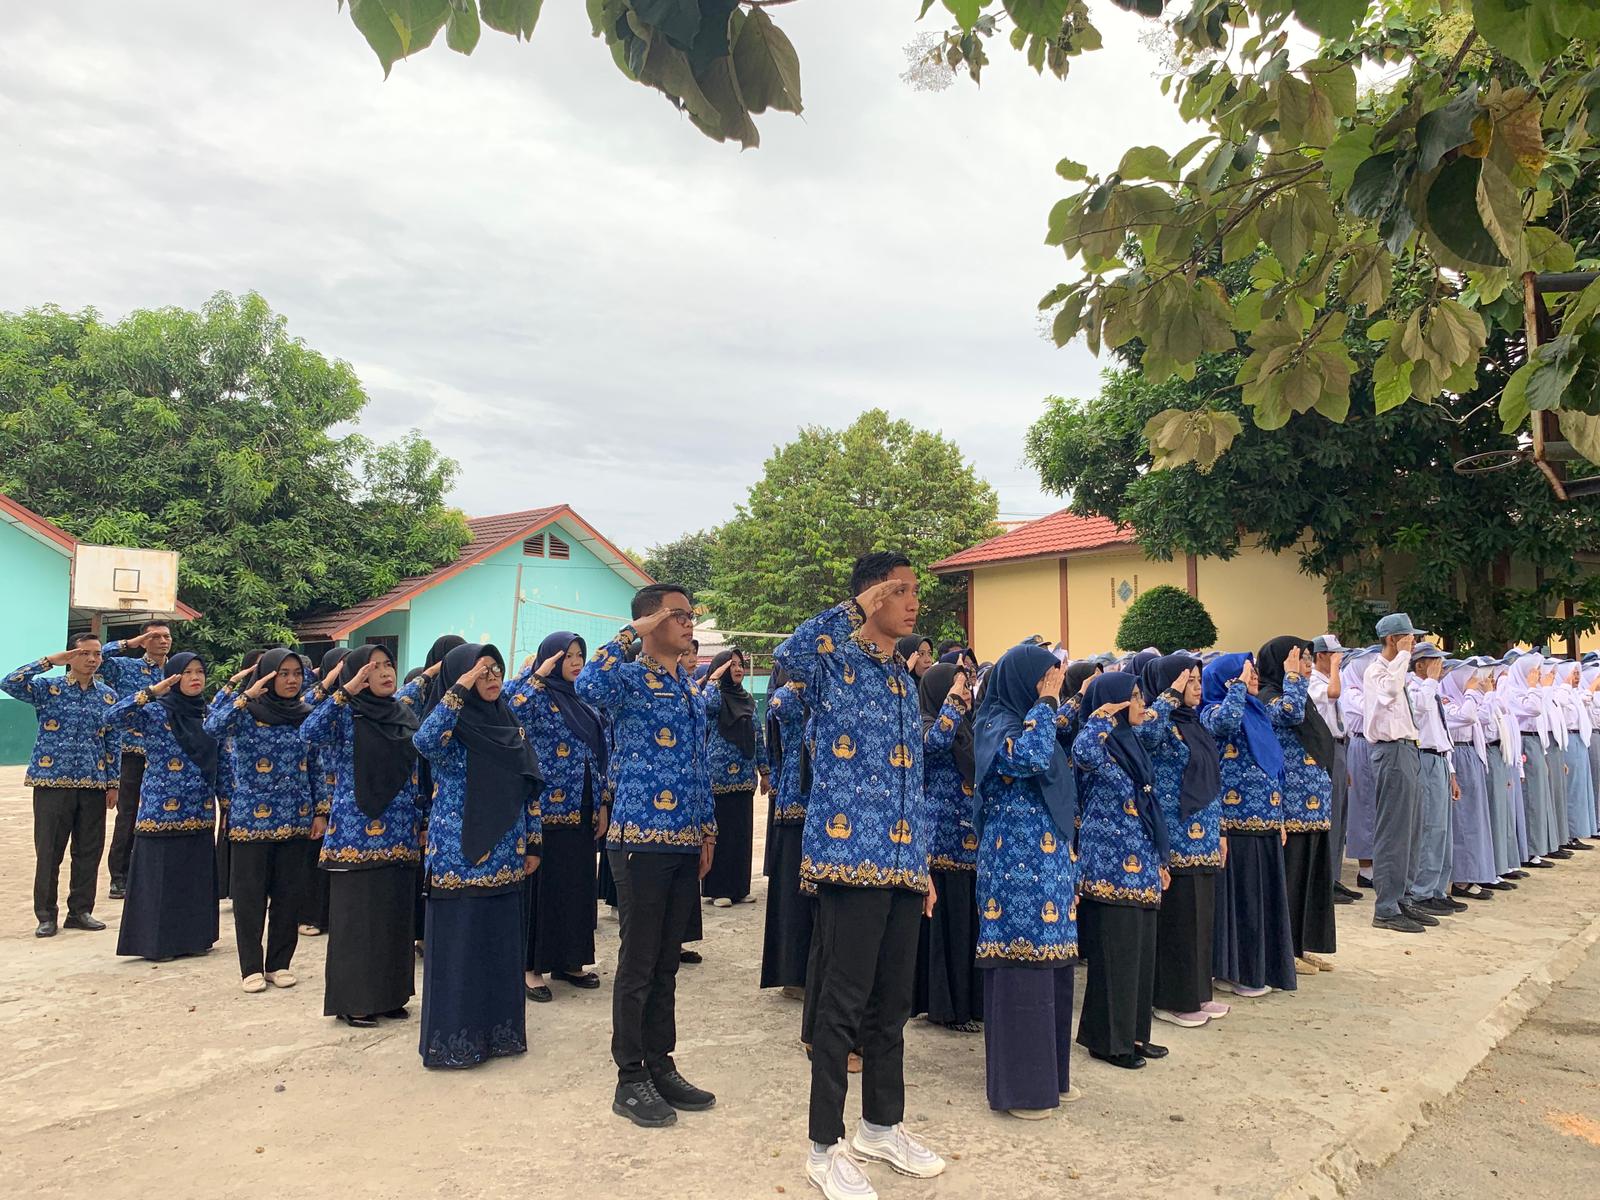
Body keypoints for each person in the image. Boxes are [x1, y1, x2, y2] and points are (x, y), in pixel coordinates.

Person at [773, 553, 946, 1200]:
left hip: (902, 863)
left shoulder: (903, 678)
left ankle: (881, 1125)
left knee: (892, 1006)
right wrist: (855, 607)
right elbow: (791, 650)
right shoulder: (834, 666)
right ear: (871, 597)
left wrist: (922, 865)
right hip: (849, 862)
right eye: (899, 591)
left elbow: (913, 782)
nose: (912, 602)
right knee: (840, 1010)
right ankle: (824, 1146)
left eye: (914, 592)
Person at [577, 583, 718, 1127]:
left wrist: (707, 832)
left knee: (666, 961)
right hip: (638, 839)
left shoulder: (686, 686)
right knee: (637, 963)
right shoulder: (630, 678)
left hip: (683, 841)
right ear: (651, 620)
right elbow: (589, 682)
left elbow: (698, 765)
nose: (689, 623)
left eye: (690, 615)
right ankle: (629, 1076)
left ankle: (661, 1062)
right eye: (678, 615)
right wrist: (628, 634)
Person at [413, 642, 543, 1068]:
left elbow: (529, 785)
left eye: (496, 671)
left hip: (507, 852)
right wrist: (461, 687)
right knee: (461, 949)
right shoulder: (451, 725)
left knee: (498, 947)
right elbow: (425, 741)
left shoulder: (509, 723)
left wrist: (534, 841)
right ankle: (455, 1043)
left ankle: (499, 1037)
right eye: (480, 672)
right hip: (459, 855)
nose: (491, 679)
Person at [972, 644, 1079, 1117]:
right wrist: (1048, 705)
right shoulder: (996, 725)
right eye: (1043, 681)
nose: (1050, 690)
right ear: (1021, 682)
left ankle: (1051, 1080)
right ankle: (1021, 1090)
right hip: (1013, 873)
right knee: (1021, 971)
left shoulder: (1032, 721)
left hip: (1047, 868)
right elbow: (1031, 760)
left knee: (1051, 969)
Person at [301, 644, 423, 1027]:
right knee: (358, 921)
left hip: (401, 831)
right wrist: (347, 689)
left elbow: (416, 771)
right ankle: (353, 1001)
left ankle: (389, 996)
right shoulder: (344, 713)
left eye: (388, 665)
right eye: (374, 668)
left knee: (392, 917)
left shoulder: (404, 713)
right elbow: (308, 730)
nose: (385, 673)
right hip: (355, 835)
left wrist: (420, 821)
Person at [205, 648, 319, 992]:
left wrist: (322, 811)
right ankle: (251, 967)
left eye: (296, 674)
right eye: (282, 673)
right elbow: (212, 727)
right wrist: (244, 696)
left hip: (297, 818)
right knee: (250, 897)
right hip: (251, 820)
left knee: (288, 895)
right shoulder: (246, 714)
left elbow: (317, 766)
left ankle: (279, 963)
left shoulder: (305, 715)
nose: (290, 680)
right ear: (267, 676)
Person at [1073, 671, 1169, 1068]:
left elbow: (1148, 801)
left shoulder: (1132, 743)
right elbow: (1082, 751)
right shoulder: (1098, 743)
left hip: (1142, 862)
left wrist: (1160, 859)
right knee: (1117, 956)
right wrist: (1101, 716)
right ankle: (1107, 1041)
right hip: (1111, 866)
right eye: (1132, 697)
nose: (1140, 703)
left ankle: (1134, 1033)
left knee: (1141, 956)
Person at [508, 631, 609, 1002]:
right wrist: (537, 675)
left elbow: (601, 754)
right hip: (546, 808)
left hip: (583, 806)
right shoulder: (535, 695)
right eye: (567, 656)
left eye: (579, 654)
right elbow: (510, 708)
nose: (576, 661)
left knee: (576, 886)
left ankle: (570, 961)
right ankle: (531, 968)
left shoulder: (582, 700)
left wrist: (601, 803)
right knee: (543, 890)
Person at [3, 635, 121, 937]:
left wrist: (113, 782)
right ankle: (46, 915)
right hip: (51, 781)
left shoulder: (107, 695)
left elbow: (112, 740)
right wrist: (47, 662)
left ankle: (80, 911)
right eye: (84, 653)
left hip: (93, 783)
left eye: (96, 654)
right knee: (49, 852)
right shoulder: (49, 689)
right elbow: (10, 682)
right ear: (71, 656)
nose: (92, 660)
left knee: (88, 851)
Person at [108, 652, 220, 960]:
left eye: (200, 671)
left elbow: (221, 762)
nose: (195, 677)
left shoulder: (209, 715)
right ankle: (156, 945)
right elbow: (112, 718)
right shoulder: (156, 712)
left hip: (199, 810)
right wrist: (151, 693)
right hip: (160, 809)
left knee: (192, 876)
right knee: (160, 878)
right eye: (186, 672)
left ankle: (194, 939)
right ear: (172, 677)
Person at [1137, 653, 1228, 1029]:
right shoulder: (1159, 723)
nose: (1195, 688)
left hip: (1204, 836)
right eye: (1188, 681)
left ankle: (1196, 993)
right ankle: (1172, 999)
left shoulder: (1194, 722)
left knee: (1201, 918)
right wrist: (1170, 696)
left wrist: (1219, 830)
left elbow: (1212, 778)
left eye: (1196, 681)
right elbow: (1144, 736)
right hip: (1176, 838)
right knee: (1179, 920)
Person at [1203, 653, 1297, 993]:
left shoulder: (1258, 713)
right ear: (1226, 679)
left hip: (1267, 821)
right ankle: (1236, 972)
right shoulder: (1212, 711)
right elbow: (1226, 723)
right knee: (1243, 903)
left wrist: (1280, 817)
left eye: (1254, 670)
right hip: (1235, 824)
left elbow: (1275, 770)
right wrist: (1240, 686)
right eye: (1244, 670)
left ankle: (1262, 969)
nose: (1253, 675)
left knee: (1266, 901)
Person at [1256, 637, 1338, 976]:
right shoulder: (1270, 697)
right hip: (1291, 807)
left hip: (1314, 808)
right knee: (1289, 881)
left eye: (1305, 659)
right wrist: (1292, 678)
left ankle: (1302, 945)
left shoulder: (1298, 693)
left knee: (1309, 881)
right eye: (1299, 659)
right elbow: (1289, 716)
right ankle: (1283, 951)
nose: (1305, 665)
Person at [916, 661, 982, 1033]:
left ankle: (969, 1004)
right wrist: (953, 704)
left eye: (967, 687)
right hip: (941, 843)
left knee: (967, 927)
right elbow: (936, 742)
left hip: (971, 841)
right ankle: (946, 1008)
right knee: (948, 929)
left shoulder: (966, 729)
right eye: (956, 686)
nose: (965, 694)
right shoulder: (926, 725)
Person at [1364, 613, 1433, 933]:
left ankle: (1404, 897)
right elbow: (1387, 693)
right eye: (1408, 638)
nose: (1414, 643)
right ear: (1392, 640)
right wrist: (1403, 656)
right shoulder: (1377, 670)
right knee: (1393, 831)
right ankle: (1387, 907)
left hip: (1408, 749)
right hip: (1390, 753)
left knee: (1413, 829)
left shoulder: (1398, 672)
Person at [99, 620, 174, 898]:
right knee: (128, 813)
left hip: (166, 752)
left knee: (163, 810)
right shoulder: (127, 667)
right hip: (132, 751)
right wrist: (128, 644)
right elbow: (100, 658)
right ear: (143, 640)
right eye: (155, 636)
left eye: (166, 636)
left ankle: (153, 872)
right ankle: (119, 875)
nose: (163, 641)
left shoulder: (176, 670)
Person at [760, 664, 814, 996]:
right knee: (793, 895)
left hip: (825, 806)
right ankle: (793, 975)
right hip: (795, 803)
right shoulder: (787, 698)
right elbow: (783, 705)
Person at [700, 647, 767, 906]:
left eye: (740, 664)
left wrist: (765, 772)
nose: (738, 669)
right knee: (722, 834)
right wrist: (714, 679)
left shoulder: (747, 698)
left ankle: (739, 887)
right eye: (732, 665)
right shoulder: (716, 697)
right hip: (719, 779)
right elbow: (704, 705)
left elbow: (757, 736)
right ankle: (719, 889)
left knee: (741, 834)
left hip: (744, 778)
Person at [1405, 643, 1467, 918]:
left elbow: (1442, 733)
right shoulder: (1414, 686)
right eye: (1434, 662)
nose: (1440, 668)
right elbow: (1418, 712)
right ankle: (1422, 891)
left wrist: (1451, 772)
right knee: (1429, 827)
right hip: (1424, 757)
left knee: (1443, 830)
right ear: (1420, 665)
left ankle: (1439, 889)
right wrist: (1429, 681)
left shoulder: (1432, 689)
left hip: (1440, 758)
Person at [296, 646, 350, 937]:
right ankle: (309, 915)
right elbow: (303, 708)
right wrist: (329, 682)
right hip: (319, 786)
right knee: (314, 856)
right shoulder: (321, 701)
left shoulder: (357, 705)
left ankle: (331, 915)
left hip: (345, 791)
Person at [209, 649, 267, 901]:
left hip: (263, 781)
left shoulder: (279, 702)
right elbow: (213, 717)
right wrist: (234, 686)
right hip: (234, 778)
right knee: (230, 836)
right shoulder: (238, 701)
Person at [1309, 635, 1361, 904]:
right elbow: (1333, 694)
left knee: (1340, 815)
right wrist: (1337, 669)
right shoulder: (1315, 682)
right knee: (1329, 815)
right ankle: (1324, 882)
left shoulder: (1328, 679)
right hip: (1326, 746)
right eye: (1334, 655)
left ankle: (1335, 877)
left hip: (1341, 745)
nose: (1338, 660)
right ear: (1321, 656)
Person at [1441, 659, 1499, 901]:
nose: (1475, 684)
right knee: (1463, 820)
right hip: (1458, 756)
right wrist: (1471, 694)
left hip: (1472, 754)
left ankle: (1475, 873)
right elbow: (1465, 717)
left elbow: (1485, 717)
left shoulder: (1466, 700)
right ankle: (1461, 880)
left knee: (1475, 819)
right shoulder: (1446, 702)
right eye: (1470, 679)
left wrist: (1486, 693)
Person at [1499, 651, 1558, 869]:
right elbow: (1533, 709)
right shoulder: (1513, 691)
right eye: (1534, 671)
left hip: (1535, 743)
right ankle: (1530, 850)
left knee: (1539, 797)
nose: (1538, 674)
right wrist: (1535, 686)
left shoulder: (1529, 691)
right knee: (1530, 798)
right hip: (1522, 742)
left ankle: (1537, 848)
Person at [1338, 647, 1378, 888]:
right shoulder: (1351, 690)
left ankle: (1377, 863)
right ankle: (1366, 868)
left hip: (1375, 744)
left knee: (1376, 804)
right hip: (1361, 744)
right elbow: (1370, 710)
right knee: (1363, 806)